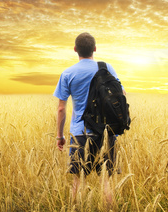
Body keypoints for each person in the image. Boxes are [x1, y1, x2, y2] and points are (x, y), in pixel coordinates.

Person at [53, 32, 125, 205]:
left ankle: (75, 209)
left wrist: (60, 136)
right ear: (94, 48)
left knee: (77, 180)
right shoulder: (106, 68)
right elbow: (121, 94)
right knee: (106, 180)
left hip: (80, 134)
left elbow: (61, 108)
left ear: (75, 49)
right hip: (106, 132)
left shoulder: (68, 73)